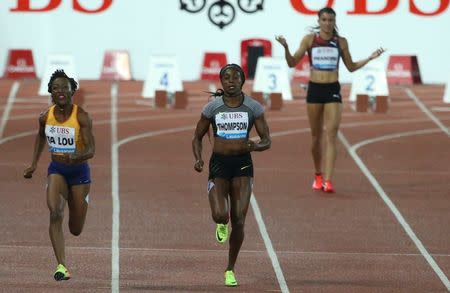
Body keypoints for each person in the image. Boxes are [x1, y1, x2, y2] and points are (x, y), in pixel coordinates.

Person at [275, 7, 385, 193]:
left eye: (330, 20)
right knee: (316, 136)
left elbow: (350, 67)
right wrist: (285, 47)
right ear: (318, 21)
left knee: (331, 135)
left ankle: (328, 180)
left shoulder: (340, 42)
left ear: (335, 22)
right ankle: (318, 174)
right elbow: (292, 62)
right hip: (315, 90)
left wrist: (369, 58)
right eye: (324, 20)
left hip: (332, 90)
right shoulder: (310, 40)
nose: (327, 23)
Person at [192, 64, 271, 286]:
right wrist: (198, 159)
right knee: (220, 214)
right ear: (221, 81)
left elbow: (267, 140)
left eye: (235, 77)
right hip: (219, 165)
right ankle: (220, 222)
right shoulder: (213, 108)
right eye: (226, 77)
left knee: (240, 219)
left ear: (243, 80)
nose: (231, 81)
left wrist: (254, 147)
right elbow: (196, 137)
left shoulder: (253, 107)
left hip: (243, 166)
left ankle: (229, 269)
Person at [23, 69, 95, 281]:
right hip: (57, 170)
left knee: (75, 229)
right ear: (50, 93)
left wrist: (78, 156)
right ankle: (62, 266)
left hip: (79, 172)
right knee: (55, 213)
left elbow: (92, 149)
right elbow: (39, 138)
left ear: (72, 90)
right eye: (56, 88)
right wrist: (33, 164)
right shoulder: (45, 117)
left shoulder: (81, 116)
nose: (60, 91)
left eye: (64, 87)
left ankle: (80, 200)